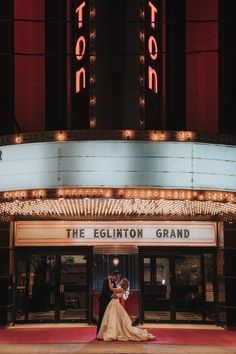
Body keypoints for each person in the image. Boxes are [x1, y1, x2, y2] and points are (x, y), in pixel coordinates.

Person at [96, 270, 121, 334]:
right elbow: (104, 291)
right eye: (117, 277)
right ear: (113, 276)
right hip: (103, 301)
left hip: (109, 302)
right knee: (102, 316)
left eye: (118, 278)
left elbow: (113, 291)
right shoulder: (106, 280)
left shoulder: (115, 284)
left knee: (107, 317)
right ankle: (98, 332)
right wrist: (111, 296)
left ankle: (105, 332)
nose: (117, 279)